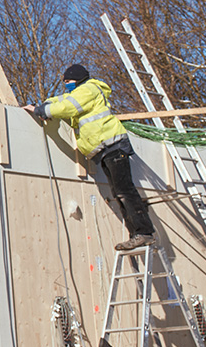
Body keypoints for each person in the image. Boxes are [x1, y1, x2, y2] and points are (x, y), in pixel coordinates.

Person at [24, 64, 156, 251]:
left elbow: (68, 107)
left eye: (68, 82)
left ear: (77, 79)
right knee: (120, 194)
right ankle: (137, 234)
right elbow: (61, 100)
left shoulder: (88, 89)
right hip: (105, 149)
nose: (66, 85)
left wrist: (41, 112)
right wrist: (45, 105)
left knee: (125, 191)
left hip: (112, 145)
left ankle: (143, 233)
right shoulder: (80, 91)